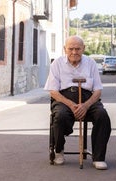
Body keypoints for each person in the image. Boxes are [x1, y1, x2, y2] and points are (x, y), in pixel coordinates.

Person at [44, 35, 111, 170]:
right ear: (65, 49)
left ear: (83, 49)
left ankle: (98, 157)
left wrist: (85, 106)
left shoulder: (90, 63)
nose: (74, 52)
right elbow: (53, 91)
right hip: (64, 99)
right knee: (60, 116)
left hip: (87, 99)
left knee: (102, 115)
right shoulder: (57, 63)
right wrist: (70, 104)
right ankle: (59, 150)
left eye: (78, 49)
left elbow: (97, 90)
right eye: (71, 49)